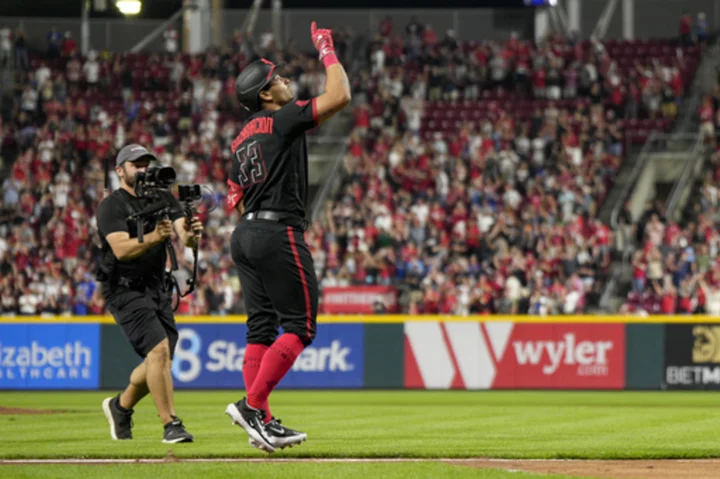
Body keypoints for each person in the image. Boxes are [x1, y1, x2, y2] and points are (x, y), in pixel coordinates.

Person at [224, 21, 351, 454]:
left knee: (260, 329)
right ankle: (254, 405)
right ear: (264, 95)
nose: (282, 80)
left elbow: (236, 199)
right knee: (301, 325)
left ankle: (263, 423)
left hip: (244, 233)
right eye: (275, 79)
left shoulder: (239, 140)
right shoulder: (281, 118)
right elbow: (340, 96)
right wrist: (326, 49)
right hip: (277, 229)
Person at [97, 144, 203, 444]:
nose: (143, 169)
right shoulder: (111, 206)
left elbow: (185, 236)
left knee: (162, 357)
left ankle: (121, 406)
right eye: (136, 164)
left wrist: (193, 234)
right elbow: (120, 249)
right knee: (158, 351)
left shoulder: (162, 197)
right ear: (120, 171)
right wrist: (157, 235)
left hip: (157, 287)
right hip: (124, 288)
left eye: (146, 164)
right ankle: (171, 423)